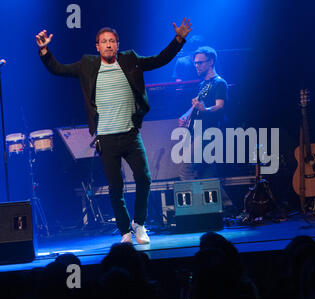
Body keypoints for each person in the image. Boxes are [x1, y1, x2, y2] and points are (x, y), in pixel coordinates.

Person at [36, 19, 192, 244]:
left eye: (112, 41)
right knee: (115, 188)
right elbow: (57, 69)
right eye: (104, 42)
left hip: (130, 135)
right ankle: (124, 232)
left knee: (144, 179)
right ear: (97, 46)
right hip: (106, 139)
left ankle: (139, 225)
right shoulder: (87, 64)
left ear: (118, 45)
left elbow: (159, 60)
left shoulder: (130, 60)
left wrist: (178, 40)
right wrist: (44, 50)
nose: (108, 45)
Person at [178, 46, 228, 180]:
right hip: (199, 132)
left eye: (200, 62)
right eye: (195, 63)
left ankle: (195, 201)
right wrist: (186, 116)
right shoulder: (202, 84)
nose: (196, 66)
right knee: (207, 175)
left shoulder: (219, 83)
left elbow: (220, 105)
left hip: (209, 133)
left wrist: (205, 109)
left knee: (186, 169)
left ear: (211, 62)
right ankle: (224, 201)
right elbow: (197, 106)